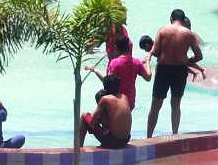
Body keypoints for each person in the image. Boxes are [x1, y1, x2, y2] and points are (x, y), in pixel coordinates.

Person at [146, 8, 203, 137]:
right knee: (176, 104)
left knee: (155, 105)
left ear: (171, 19)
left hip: (163, 69)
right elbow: (199, 56)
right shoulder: (189, 34)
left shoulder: (163, 30)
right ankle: (175, 134)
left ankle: (149, 136)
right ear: (183, 20)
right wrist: (187, 61)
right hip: (180, 70)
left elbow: (155, 52)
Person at [85, 36, 151, 110]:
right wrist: (147, 61)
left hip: (116, 102)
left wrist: (94, 70)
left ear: (116, 48)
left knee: (99, 96)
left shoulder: (115, 63)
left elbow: (107, 83)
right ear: (128, 48)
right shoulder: (137, 62)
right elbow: (148, 77)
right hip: (130, 102)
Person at [80, 74, 132, 149]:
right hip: (126, 139)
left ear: (105, 88)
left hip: (114, 142)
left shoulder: (105, 99)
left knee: (84, 115)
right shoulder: (124, 97)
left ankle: (79, 149)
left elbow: (92, 122)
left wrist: (96, 119)